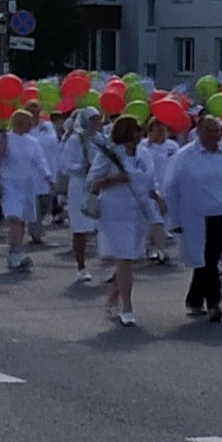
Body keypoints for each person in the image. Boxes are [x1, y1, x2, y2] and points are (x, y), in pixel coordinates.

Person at [163, 116, 222, 321]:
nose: (214, 135)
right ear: (198, 131)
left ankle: (195, 298)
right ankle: (215, 302)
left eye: (217, 131)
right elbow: (170, 189)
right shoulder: (185, 157)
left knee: (209, 259)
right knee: (207, 259)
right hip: (196, 217)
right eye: (209, 131)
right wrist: (174, 220)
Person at [88, 116, 161, 327]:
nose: (141, 133)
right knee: (125, 256)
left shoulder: (145, 154)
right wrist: (112, 180)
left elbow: (150, 180)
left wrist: (157, 196)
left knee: (131, 258)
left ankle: (114, 296)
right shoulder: (109, 155)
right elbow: (91, 183)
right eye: (137, 129)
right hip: (115, 211)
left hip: (138, 210)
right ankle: (127, 307)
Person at [0, 110, 53, 272]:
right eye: (29, 122)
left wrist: (48, 177)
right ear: (19, 122)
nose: (32, 125)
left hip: (27, 185)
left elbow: (40, 161)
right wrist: (2, 144)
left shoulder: (32, 141)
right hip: (10, 184)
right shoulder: (3, 138)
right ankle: (15, 253)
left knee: (23, 219)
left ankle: (16, 250)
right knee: (15, 218)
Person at [60, 109, 104, 282]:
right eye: (93, 120)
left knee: (102, 227)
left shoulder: (100, 139)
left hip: (98, 186)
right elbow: (64, 165)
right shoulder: (74, 140)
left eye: (98, 120)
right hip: (79, 187)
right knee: (80, 229)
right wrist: (81, 168)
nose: (97, 123)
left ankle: (106, 265)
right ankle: (81, 267)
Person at [138, 119, 180, 264]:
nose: (160, 133)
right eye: (157, 130)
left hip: (167, 187)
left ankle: (155, 247)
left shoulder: (173, 146)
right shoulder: (142, 146)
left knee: (163, 219)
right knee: (152, 219)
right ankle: (153, 248)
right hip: (148, 189)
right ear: (150, 131)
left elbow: (178, 166)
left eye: (163, 130)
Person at [25, 101, 61, 243]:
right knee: (34, 203)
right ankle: (35, 233)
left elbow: (55, 143)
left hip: (48, 169)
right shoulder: (23, 128)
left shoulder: (48, 126)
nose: (34, 113)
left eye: (36, 110)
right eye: (31, 110)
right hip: (30, 171)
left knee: (46, 202)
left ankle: (36, 227)